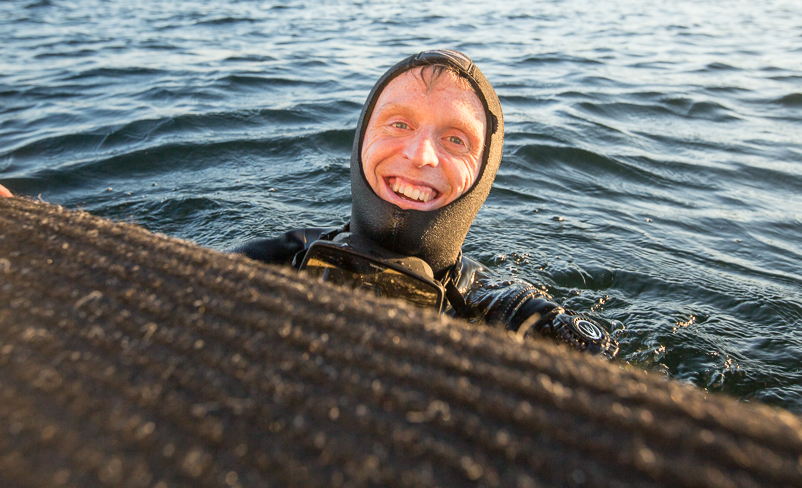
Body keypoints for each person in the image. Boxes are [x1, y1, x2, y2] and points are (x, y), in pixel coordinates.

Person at [235, 50, 617, 357]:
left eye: (456, 140)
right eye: (399, 124)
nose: (420, 155)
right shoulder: (269, 264)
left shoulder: (514, 320)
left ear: (483, 174)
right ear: (360, 143)